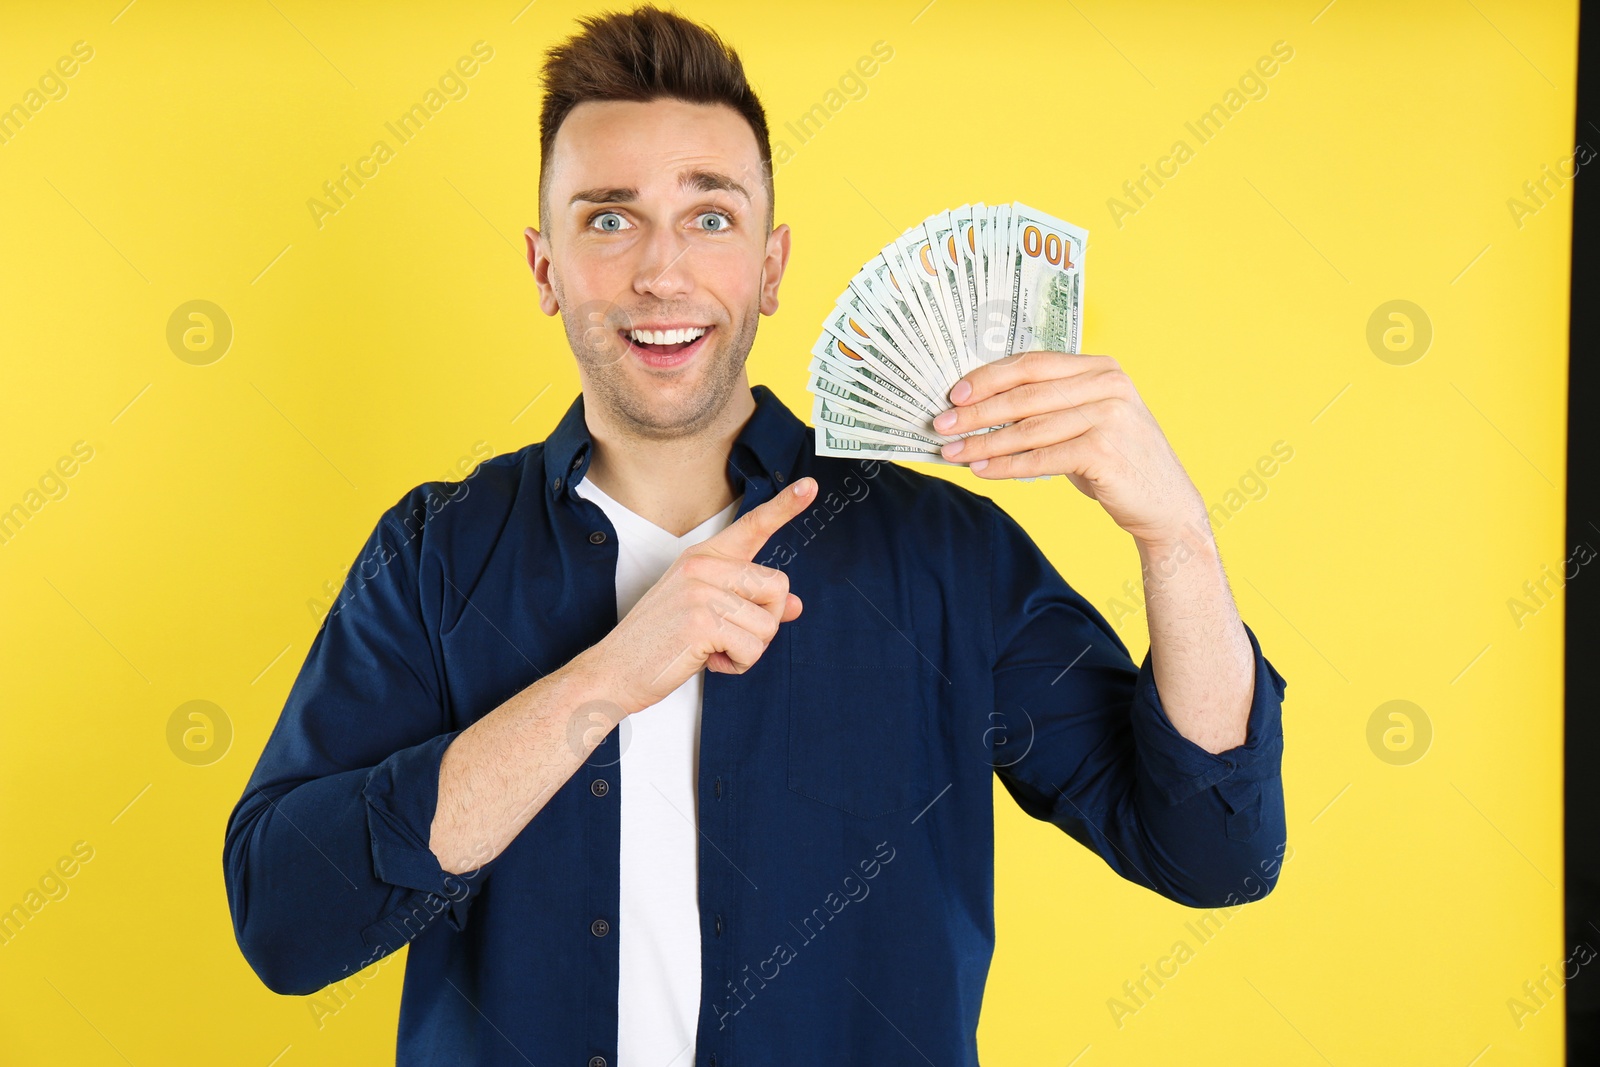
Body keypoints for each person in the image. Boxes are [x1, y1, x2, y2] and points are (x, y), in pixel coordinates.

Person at [223, 7, 1289, 1065]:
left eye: (710, 216)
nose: (661, 272)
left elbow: (1212, 851)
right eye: (607, 218)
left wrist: (1176, 534)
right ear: (545, 268)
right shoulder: (435, 555)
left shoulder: (943, 553)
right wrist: (607, 677)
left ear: (771, 267)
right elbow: (287, 920)